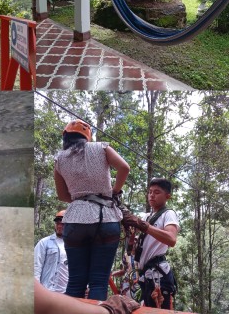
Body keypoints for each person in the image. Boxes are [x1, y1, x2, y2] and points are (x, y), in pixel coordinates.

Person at [54, 119, 130, 301]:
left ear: (66, 137)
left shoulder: (60, 159)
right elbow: (124, 168)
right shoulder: (101, 148)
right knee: (98, 282)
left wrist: (80, 196)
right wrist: (115, 191)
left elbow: (63, 196)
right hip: (105, 218)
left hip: (75, 220)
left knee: (75, 282)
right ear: (87, 137)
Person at [122, 178, 179, 309]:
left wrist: (144, 226)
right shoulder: (147, 216)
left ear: (167, 196)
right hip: (146, 273)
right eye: (150, 192)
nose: (152, 195)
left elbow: (171, 239)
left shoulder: (168, 214)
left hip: (158, 274)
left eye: (157, 192)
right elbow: (134, 248)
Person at [35, 280, 140, 314]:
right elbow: (43, 303)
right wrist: (109, 310)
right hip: (104, 232)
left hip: (74, 232)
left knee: (76, 283)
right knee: (98, 282)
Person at [34, 210, 69, 293]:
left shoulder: (73, 245)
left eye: (62, 224)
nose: (59, 226)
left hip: (66, 292)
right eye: (57, 223)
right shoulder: (44, 242)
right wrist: (37, 290)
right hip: (47, 291)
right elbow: (36, 266)